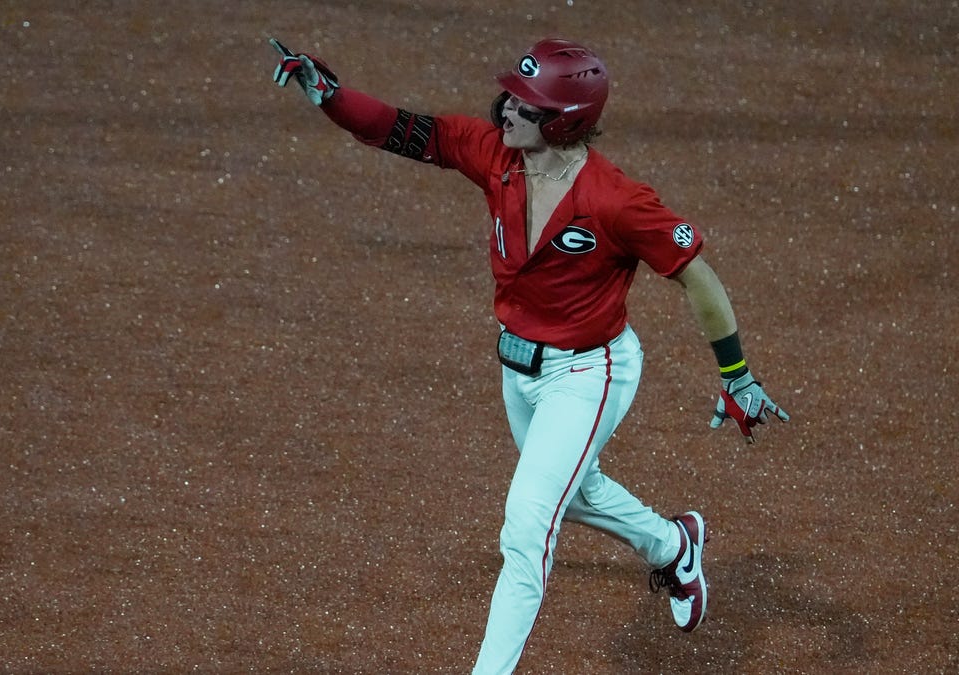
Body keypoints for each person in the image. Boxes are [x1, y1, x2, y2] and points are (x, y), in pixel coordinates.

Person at [268, 37, 789, 674]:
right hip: (520, 371)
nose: (506, 108)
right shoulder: (496, 156)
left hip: (589, 372)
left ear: (565, 119)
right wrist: (329, 95)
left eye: (525, 103)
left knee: (525, 527)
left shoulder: (617, 200)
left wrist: (737, 374)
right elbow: (401, 130)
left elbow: (698, 276)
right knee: (575, 492)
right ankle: (674, 544)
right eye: (512, 94)